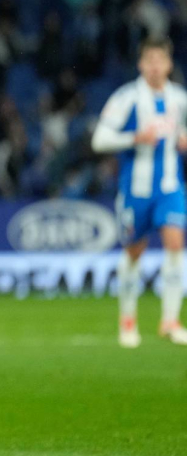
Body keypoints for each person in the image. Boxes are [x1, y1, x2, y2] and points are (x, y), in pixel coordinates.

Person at [92, 38, 187, 348]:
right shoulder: (127, 97)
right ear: (141, 65)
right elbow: (99, 139)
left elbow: (182, 132)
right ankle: (128, 320)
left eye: (161, 60)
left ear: (169, 65)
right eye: (150, 60)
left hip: (170, 187)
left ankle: (170, 321)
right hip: (135, 190)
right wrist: (135, 137)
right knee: (134, 252)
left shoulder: (180, 99)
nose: (156, 66)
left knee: (175, 242)